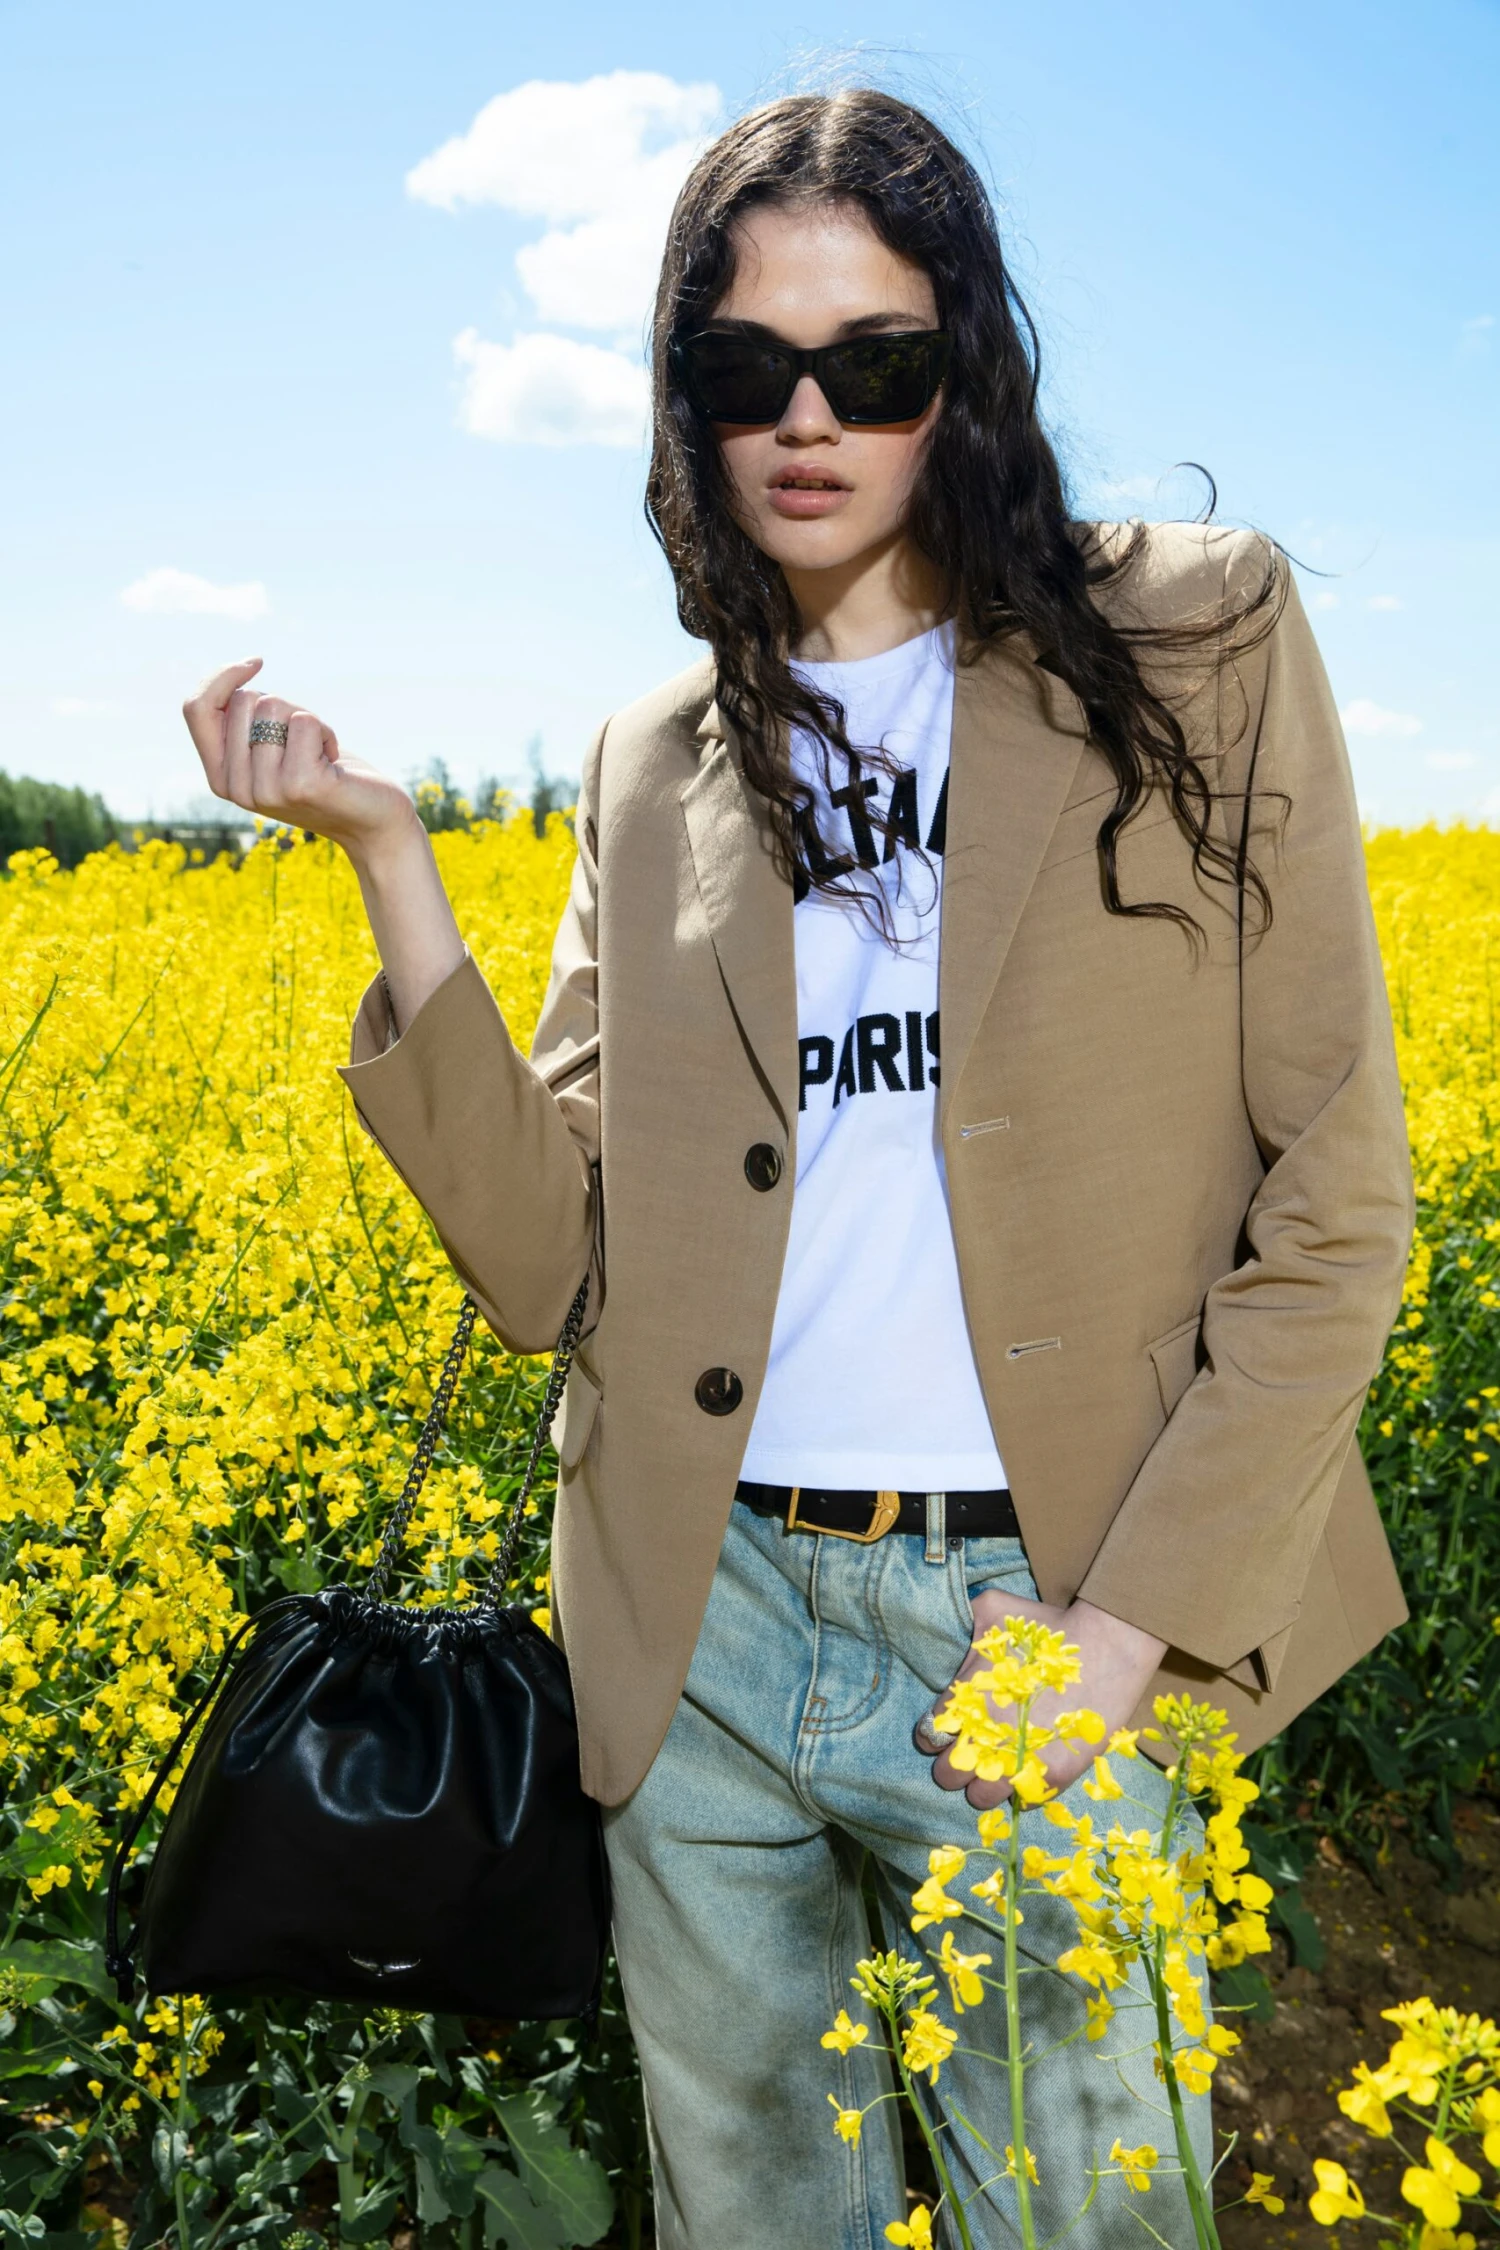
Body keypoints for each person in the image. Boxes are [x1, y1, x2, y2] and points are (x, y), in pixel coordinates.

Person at [183, 87, 1414, 2250]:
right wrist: (391, 867)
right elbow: (550, 1267)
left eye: (879, 361)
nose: (810, 417)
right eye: (746, 366)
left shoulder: (1194, 635)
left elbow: (1336, 1196)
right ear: (686, 393)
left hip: (1042, 1612)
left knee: (1088, 2223)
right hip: (707, 1623)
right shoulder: (650, 760)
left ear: (969, 369)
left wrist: (1129, 1632)